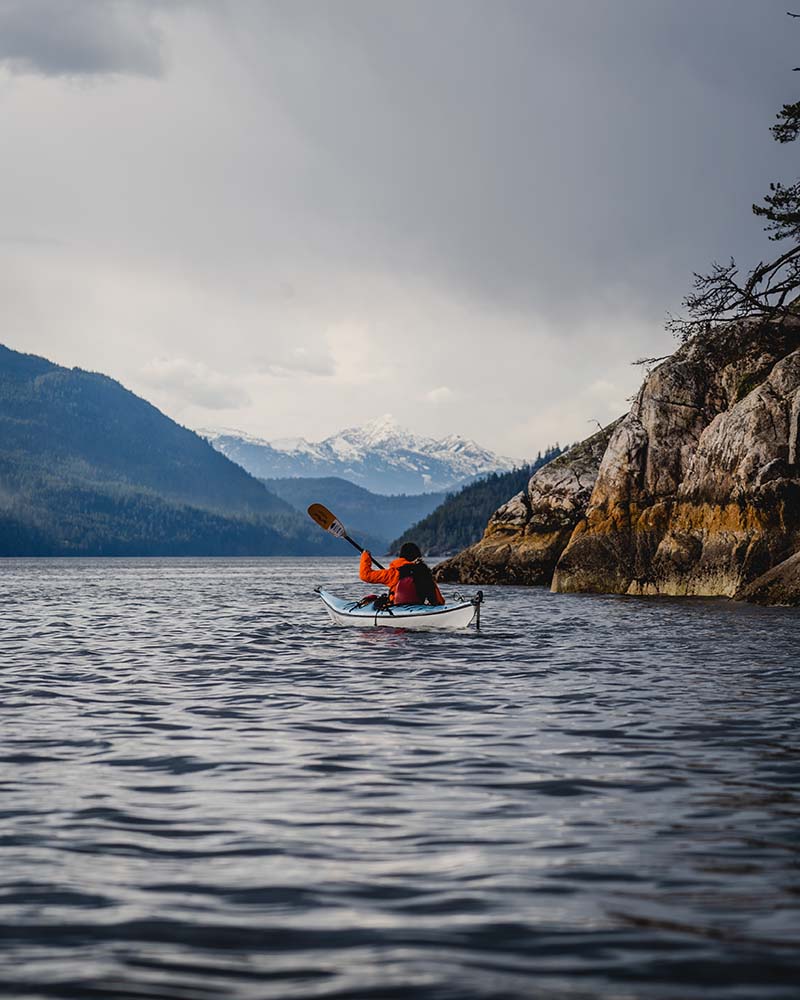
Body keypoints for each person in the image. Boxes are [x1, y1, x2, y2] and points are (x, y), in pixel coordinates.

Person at [359, 541, 445, 606]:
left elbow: (365, 575)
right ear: (417, 558)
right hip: (418, 607)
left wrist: (365, 556)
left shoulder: (393, 573)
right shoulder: (424, 572)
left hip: (396, 607)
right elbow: (439, 600)